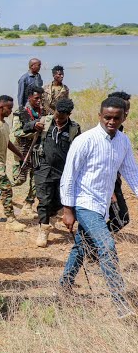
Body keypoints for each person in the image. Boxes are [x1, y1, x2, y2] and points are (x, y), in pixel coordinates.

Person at [59, 96, 138, 318]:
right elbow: (69, 176)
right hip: (84, 203)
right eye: (107, 117)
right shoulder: (85, 140)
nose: (111, 122)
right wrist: (68, 210)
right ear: (99, 116)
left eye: (116, 118)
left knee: (82, 245)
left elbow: (132, 173)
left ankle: (64, 285)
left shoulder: (123, 141)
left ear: (124, 117)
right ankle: (120, 302)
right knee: (107, 246)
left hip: (102, 204)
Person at [34, 98, 80, 247]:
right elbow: (26, 128)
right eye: (57, 114)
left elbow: (80, 148)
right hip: (43, 167)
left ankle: (50, 215)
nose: (58, 118)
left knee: (60, 201)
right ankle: (43, 228)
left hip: (63, 170)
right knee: (44, 200)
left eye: (62, 116)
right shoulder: (45, 121)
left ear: (69, 114)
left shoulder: (74, 128)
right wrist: (34, 125)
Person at [0, 95, 26, 232]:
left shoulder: (4, 125)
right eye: (9, 108)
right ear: (0, 107)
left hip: (1, 164)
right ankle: (11, 220)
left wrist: (20, 154)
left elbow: (7, 142)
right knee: (7, 190)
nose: (10, 111)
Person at [11, 85, 45, 216]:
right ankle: (2, 189)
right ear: (29, 97)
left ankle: (28, 203)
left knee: (36, 179)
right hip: (22, 150)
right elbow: (16, 132)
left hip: (37, 151)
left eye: (40, 98)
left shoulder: (44, 112)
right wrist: (33, 130)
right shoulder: (20, 112)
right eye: (36, 98)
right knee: (19, 179)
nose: (39, 101)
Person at [107, 91, 132, 233]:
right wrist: (110, 190)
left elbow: (129, 168)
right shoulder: (106, 134)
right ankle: (95, 241)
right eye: (125, 110)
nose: (127, 114)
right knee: (121, 217)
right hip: (106, 185)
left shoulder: (120, 134)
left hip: (114, 183)